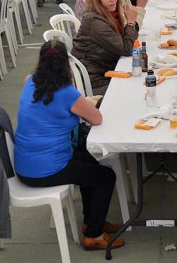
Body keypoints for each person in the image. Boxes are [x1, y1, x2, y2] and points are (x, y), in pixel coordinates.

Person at [14, 40, 123, 250]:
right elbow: (97, 119)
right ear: (66, 64)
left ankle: (92, 221)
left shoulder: (29, 81)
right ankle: (94, 235)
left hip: (23, 165)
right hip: (47, 169)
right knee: (106, 177)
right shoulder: (67, 93)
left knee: (87, 159)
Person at [71, 0, 138, 94]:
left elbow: (126, 41)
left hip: (106, 68)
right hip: (94, 79)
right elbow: (126, 49)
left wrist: (130, 23)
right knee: (134, 89)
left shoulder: (112, 15)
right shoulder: (94, 21)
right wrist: (131, 23)